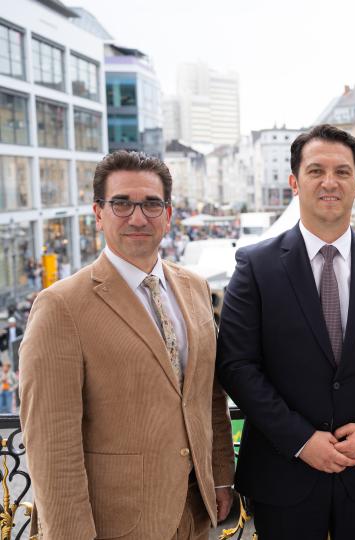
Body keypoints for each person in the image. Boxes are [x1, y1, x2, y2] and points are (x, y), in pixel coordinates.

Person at [216, 124, 355, 539]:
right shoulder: (255, 266)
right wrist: (300, 439)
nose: (329, 182)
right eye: (316, 171)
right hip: (284, 474)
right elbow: (236, 364)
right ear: (295, 182)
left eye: (342, 172)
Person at [18, 150, 235, 539]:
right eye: (121, 204)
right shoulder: (60, 307)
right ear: (98, 214)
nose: (138, 218)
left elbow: (208, 396)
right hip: (116, 525)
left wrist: (219, 476)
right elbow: (51, 445)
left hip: (194, 515)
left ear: (168, 215)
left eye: (151, 204)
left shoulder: (196, 287)